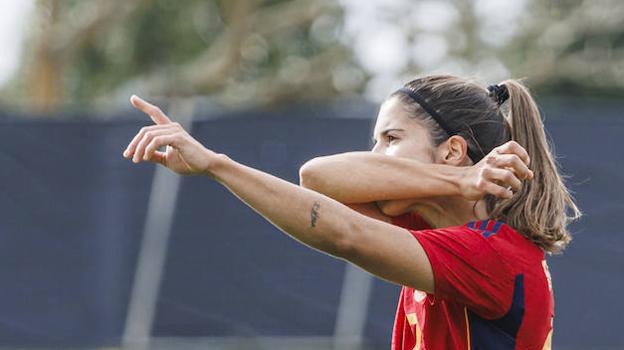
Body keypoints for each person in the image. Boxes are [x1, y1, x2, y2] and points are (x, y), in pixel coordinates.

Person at [122, 74, 577, 349]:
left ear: (453, 149)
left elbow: (344, 233)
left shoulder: (493, 255)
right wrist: (459, 180)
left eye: (392, 140)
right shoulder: (430, 226)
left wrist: (216, 165)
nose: (376, 154)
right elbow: (318, 177)